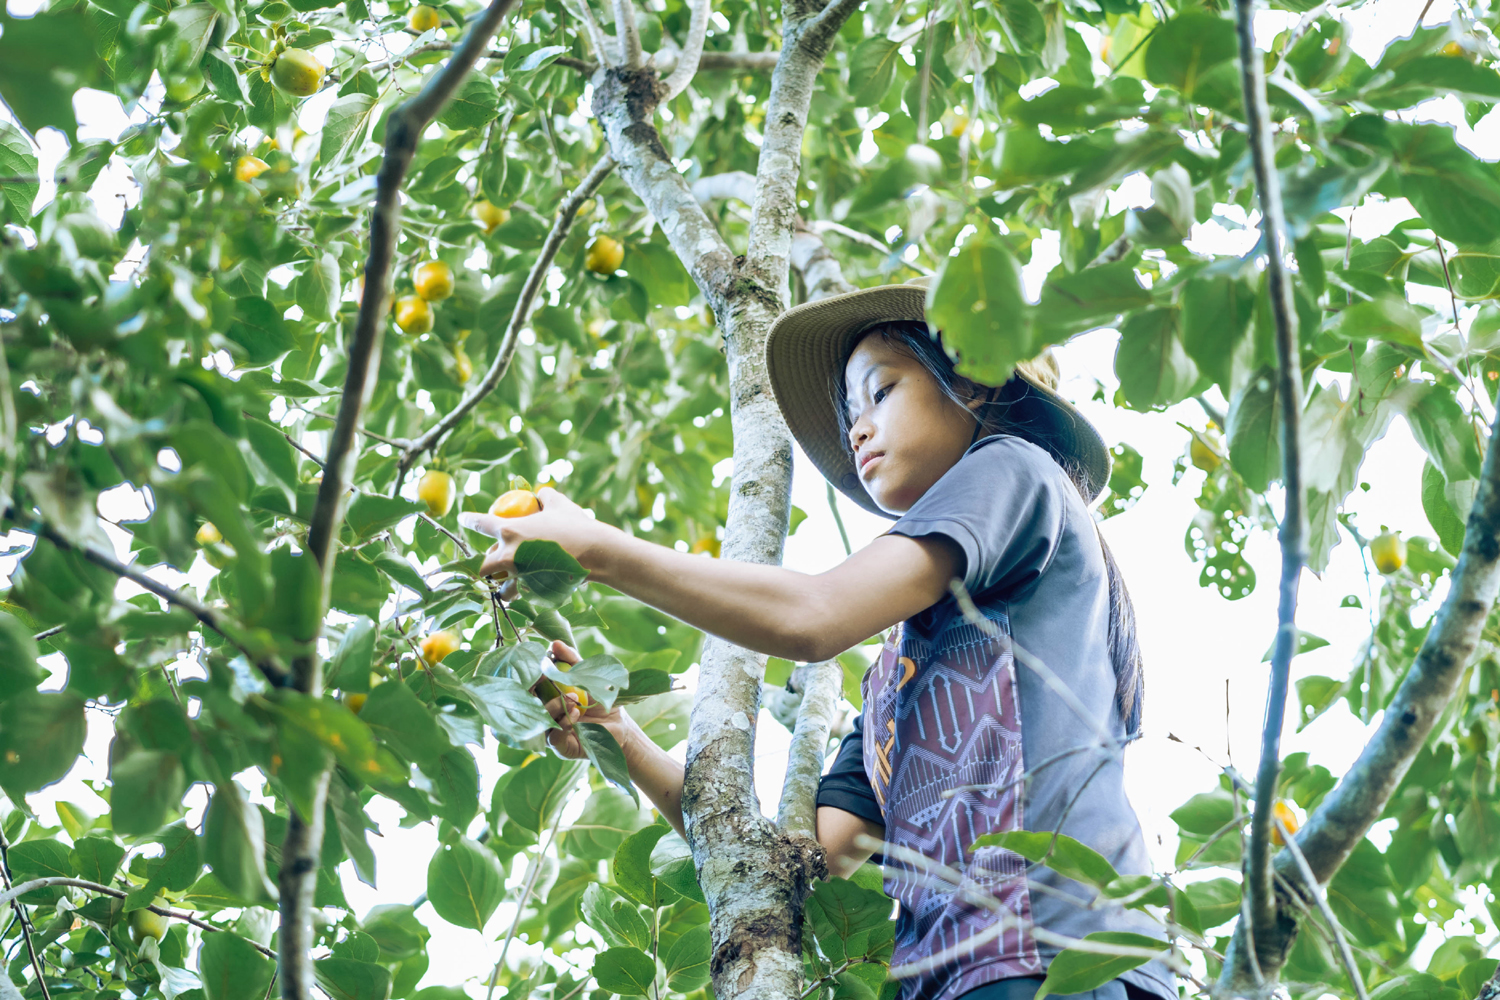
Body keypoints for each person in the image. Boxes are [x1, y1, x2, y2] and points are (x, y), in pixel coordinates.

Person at [458, 276, 1176, 1000]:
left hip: (1054, 958)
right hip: (955, 979)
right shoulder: (897, 680)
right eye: (849, 412)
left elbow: (814, 616)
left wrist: (597, 548)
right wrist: (621, 736)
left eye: (881, 391)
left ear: (978, 383)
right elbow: (803, 860)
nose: (857, 427)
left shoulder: (1017, 470)